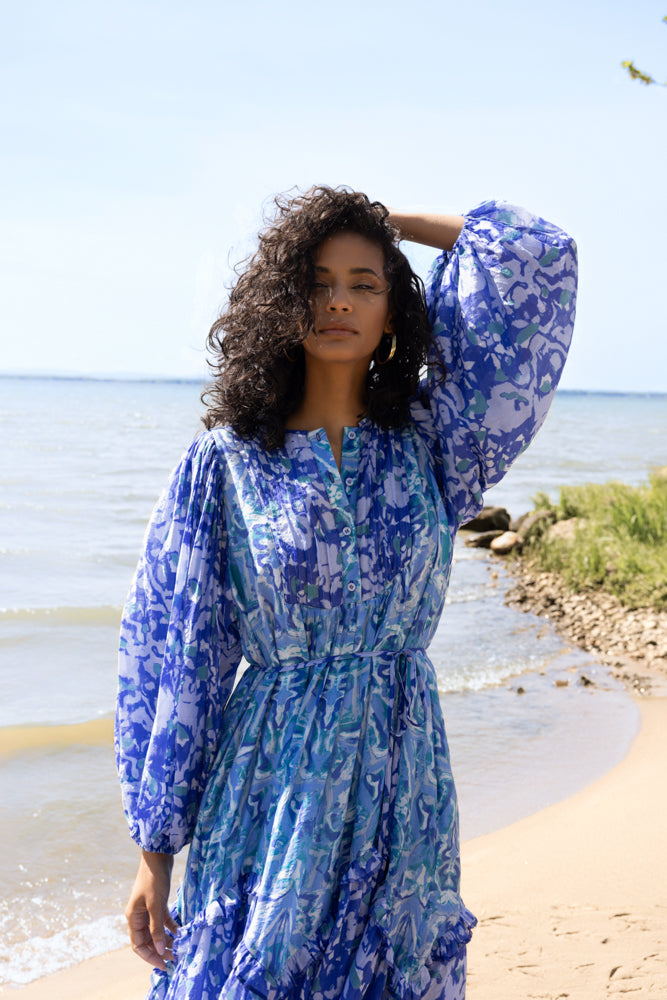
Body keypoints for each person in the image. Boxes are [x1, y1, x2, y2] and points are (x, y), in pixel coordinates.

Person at [115, 186, 577, 1000]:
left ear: (395, 309)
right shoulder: (224, 465)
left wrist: (382, 222)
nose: (336, 300)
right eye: (314, 279)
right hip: (270, 783)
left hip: (404, 773)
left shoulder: (437, 446)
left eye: (364, 283)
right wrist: (154, 853)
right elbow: (175, 658)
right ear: (280, 302)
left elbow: (534, 257)